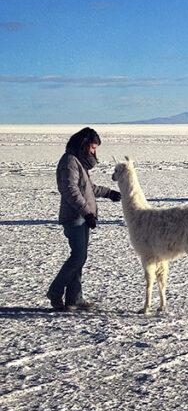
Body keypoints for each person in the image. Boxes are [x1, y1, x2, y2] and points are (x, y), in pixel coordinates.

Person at [48, 127, 121, 312]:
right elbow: (70, 190)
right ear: (84, 144)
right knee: (78, 257)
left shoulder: (78, 162)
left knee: (80, 258)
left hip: (82, 217)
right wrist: (87, 212)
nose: (94, 152)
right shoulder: (69, 162)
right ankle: (55, 292)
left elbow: (89, 188)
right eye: (93, 147)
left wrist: (109, 193)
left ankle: (74, 298)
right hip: (74, 217)